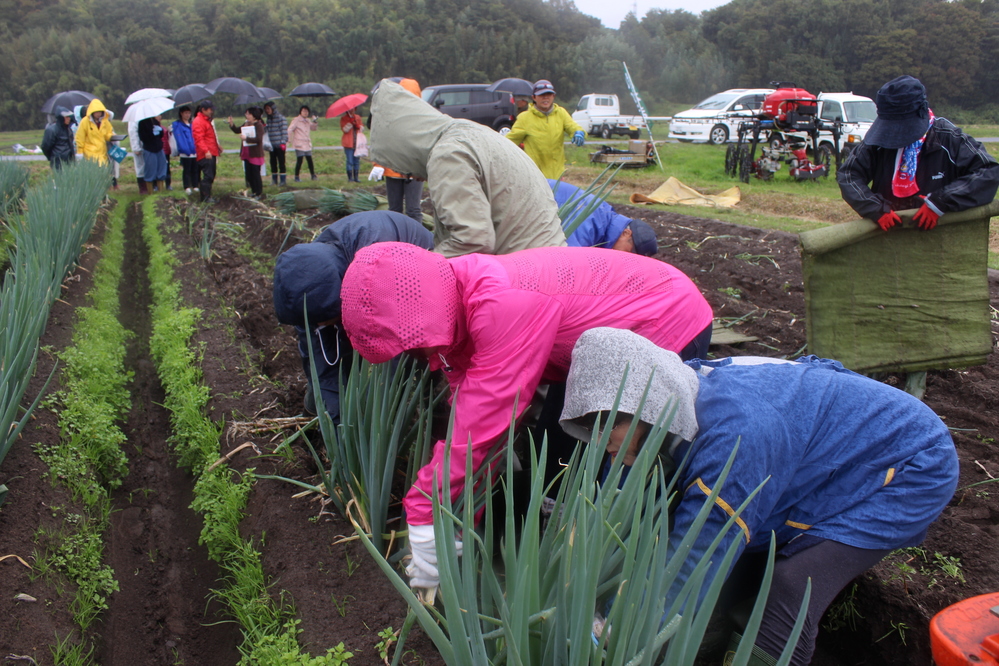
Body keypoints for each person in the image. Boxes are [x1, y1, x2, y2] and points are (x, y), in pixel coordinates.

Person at [559, 327, 958, 666]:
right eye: (591, 424)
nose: (600, 440)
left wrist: (615, 631)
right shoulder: (663, 405)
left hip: (906, 462)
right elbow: (618, 508)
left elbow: (695, 556)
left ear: (643, 407)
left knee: (791, 583)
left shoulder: (735, 438)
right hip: (817, 442)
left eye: (606, 425)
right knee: (728, 552)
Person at [340, 242, 714, 589]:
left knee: (621, 467)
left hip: (660, 318)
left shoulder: (501, 305)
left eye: (412, 345)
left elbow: (479, 430)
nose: (415, 356)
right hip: (586, 350)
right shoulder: (452, 293)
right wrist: (461, 515)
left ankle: (617, 583)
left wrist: (424, 510)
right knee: (558, 455)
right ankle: (552, 538)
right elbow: (476, 425)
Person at [368, 79, 566, 256]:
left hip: (524, 272)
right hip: (548, 258)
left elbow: (473, 240)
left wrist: (426, 262)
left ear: (407, 147)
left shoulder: (447, 154)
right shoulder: (465, 132)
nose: (415, 178)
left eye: (407, 170)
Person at [272, 211, 435, 420]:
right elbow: (319, 358)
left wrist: (374, 421)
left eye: (324, 319)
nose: (321, 323)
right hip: (350, 288)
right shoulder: (307, 284)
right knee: (330, 369)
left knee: (407, 368)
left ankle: (432, 413)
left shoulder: (381, 266)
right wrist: (335, 422)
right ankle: (316, 413)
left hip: (415, 287)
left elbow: (401, 348)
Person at [837, 75, 999, 231]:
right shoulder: (877, 141)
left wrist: (941, 202)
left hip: (939, 240)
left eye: (902, 127)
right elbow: (849, 174)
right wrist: (875, 208)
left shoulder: (949, 138)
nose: (895, 135)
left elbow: (988, 172)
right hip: (887, 236)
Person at [367, 78, 425, 224]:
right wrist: (378, 164)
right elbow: (382, 139)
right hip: (393, 168)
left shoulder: (422, 117)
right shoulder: (391, 114)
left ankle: (415, 241)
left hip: (413, 170)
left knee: (412, 210)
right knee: (396, 210)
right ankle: (396, 240)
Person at [548, 179, 659, 254]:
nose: (625, 259)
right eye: (630, 253)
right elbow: (566, 258)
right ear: (626, 233)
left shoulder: (603, 219)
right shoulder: (592, 221)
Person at [505, 80, 586, 180]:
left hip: (557, 175)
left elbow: (572, 126)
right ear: (534, 97)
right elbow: (508, 141)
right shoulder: (524, 118)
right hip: (535, 177)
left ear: (553, 96)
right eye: (541, 95)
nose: (546, 97)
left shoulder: (561, 113)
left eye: (549, 94)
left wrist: (578, 132)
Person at [228, 107, 266, 198]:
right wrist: (232, 124)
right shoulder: (246, 123)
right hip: (246, 153)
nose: (247, 115)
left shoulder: (259, 125)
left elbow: (258, 139)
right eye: (246, 114)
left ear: (254, 115)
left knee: (256, 174)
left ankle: (258, 192)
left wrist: (247, 139)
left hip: (255, 154)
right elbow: (238, 130)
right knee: (249, 174)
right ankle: (253, 191)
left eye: (248, 114)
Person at [193, 100, 222, 203]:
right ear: (204, 110)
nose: (212, 112)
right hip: (206, 154)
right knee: (208, 175)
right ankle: (205, 198)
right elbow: (199, 138)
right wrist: (206, 151)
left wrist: (217, 146)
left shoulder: (206, 120)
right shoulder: (199, 121)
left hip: (211, 151)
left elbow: (209, 137)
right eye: (210, 110)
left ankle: (208, 196)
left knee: (211, 174)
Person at [75, 98, 114, 166]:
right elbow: (80, 137)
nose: (98, 114)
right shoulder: (85, 122)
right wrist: (80, 152)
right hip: (89, 153)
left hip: (102, 153)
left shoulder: (105, 122)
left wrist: (112, 137)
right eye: (96, 112)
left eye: (100, 111)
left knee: (103, 171)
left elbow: (108, 133)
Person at [172, 106, 199, 196]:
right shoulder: (178, 125)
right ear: (181, 114)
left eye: (189, 113)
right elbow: (180, 139)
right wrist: (185, 149)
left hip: (194, 150)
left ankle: (195, 185)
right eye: (185, 113)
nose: (187, 115)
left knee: (195, 169)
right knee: (187, 170)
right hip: (185, 151)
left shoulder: (192, 124)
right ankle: (187, 186)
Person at [288, 105, 318, 182]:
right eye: (304, 111)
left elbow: (314, 129)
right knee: (300, 160)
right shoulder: (296, 120)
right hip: (299, 143)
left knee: (309, 160)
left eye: (307, 111)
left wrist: (314, 121)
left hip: (307, 143)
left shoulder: (308, 120)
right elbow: (290, 129)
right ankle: (296, 176)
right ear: (300, 112)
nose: (305, 113)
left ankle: (313, 175)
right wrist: (288, 140)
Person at [138, 114, 167, 192]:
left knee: (161, 169)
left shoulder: (155, 121)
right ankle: (150, 192)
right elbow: (143, 137)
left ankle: (160, 191)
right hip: (149, 149)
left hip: (159, 148)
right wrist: (152, 133)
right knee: (150, 170)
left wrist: (160, 131)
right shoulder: (142, 123)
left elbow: (161, 135)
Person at [263, 101, 289, 186]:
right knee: (273, 163)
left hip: (279, 144)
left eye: (268, 108)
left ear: (273, 108)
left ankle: (283, 180)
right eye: (266, 109)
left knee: (281, 163)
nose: (267, 110)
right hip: (272, 145)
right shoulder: (269, 119)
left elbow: (284, 131)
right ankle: (274, 180)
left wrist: (283, 142)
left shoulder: (281, 118)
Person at [341, 105, 363, 182]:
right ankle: (350, 178)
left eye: (353, 108)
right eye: (350, 108)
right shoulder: (344, 118)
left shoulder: (358, 117)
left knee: (356, 161)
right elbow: (344, 129)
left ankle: (356, 177)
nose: (351, 110)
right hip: (348, 143)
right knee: (350, 161)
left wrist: (357, 125)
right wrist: (350, 123)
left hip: (357, 142)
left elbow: (361, 128)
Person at [128, 118, 147, 194]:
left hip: (147, 145)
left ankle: (150, 185)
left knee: (147, 166)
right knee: (140, 167)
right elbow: (133, 133)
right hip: (139, 146)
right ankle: (142, 187)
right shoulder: (134, 118)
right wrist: (136, 147)